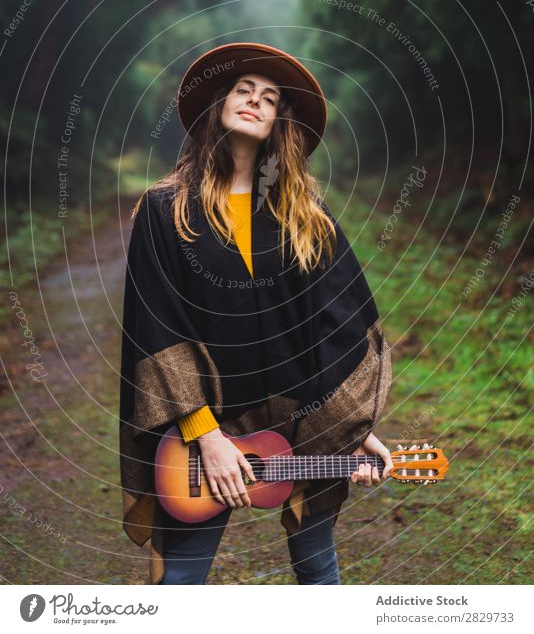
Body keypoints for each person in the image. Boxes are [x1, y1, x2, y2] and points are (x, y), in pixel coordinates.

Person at [119, 42, 394, 585]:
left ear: (278, 123)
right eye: (243, 90)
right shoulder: (164, 209)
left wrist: (351, 427)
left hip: (303, 419)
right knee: (182, 582)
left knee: (318, 570)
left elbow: (342, 321)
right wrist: (207, 436)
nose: (254, 101)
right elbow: (157, 326)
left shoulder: (304, 218)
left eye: (268, 98)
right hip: (207, 433)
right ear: (220, 103)